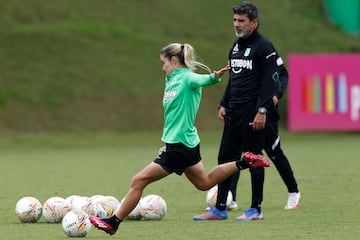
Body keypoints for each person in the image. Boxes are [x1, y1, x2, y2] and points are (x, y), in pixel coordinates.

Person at [89, 42, 271, 235]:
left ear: (174, 60)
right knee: (205, 183)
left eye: (164, 62)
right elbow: (173, 117)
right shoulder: (172, 80)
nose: (162, 67)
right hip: (183, 143)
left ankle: (113, 222)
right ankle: (245, 162)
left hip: (180, 145)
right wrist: (167, 145)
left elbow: (201, 80)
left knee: (138, 180)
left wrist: (214, 77)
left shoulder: (186, 78)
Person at [194, 1, 282, 221]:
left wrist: (262, 109)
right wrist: (223, 103)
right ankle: (220, 208)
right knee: (225, 158)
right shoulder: (235, 46)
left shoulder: (265, 47)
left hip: (254, 112)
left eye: (241, 21)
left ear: (254, 22)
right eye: (235, 20)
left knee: (253, 159)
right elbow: (234, 79)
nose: (237, 24)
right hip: (234, 112)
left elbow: (271, 81)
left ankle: (256, 209)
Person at [228, 68, 301, 211]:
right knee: (239, 154)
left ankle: (293, 192)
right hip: (245, 112)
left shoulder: (265, 49)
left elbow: (282, 74)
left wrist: (276, 93)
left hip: (267, 114)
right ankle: (231, 198)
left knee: (273, 152)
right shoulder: (240, 51)